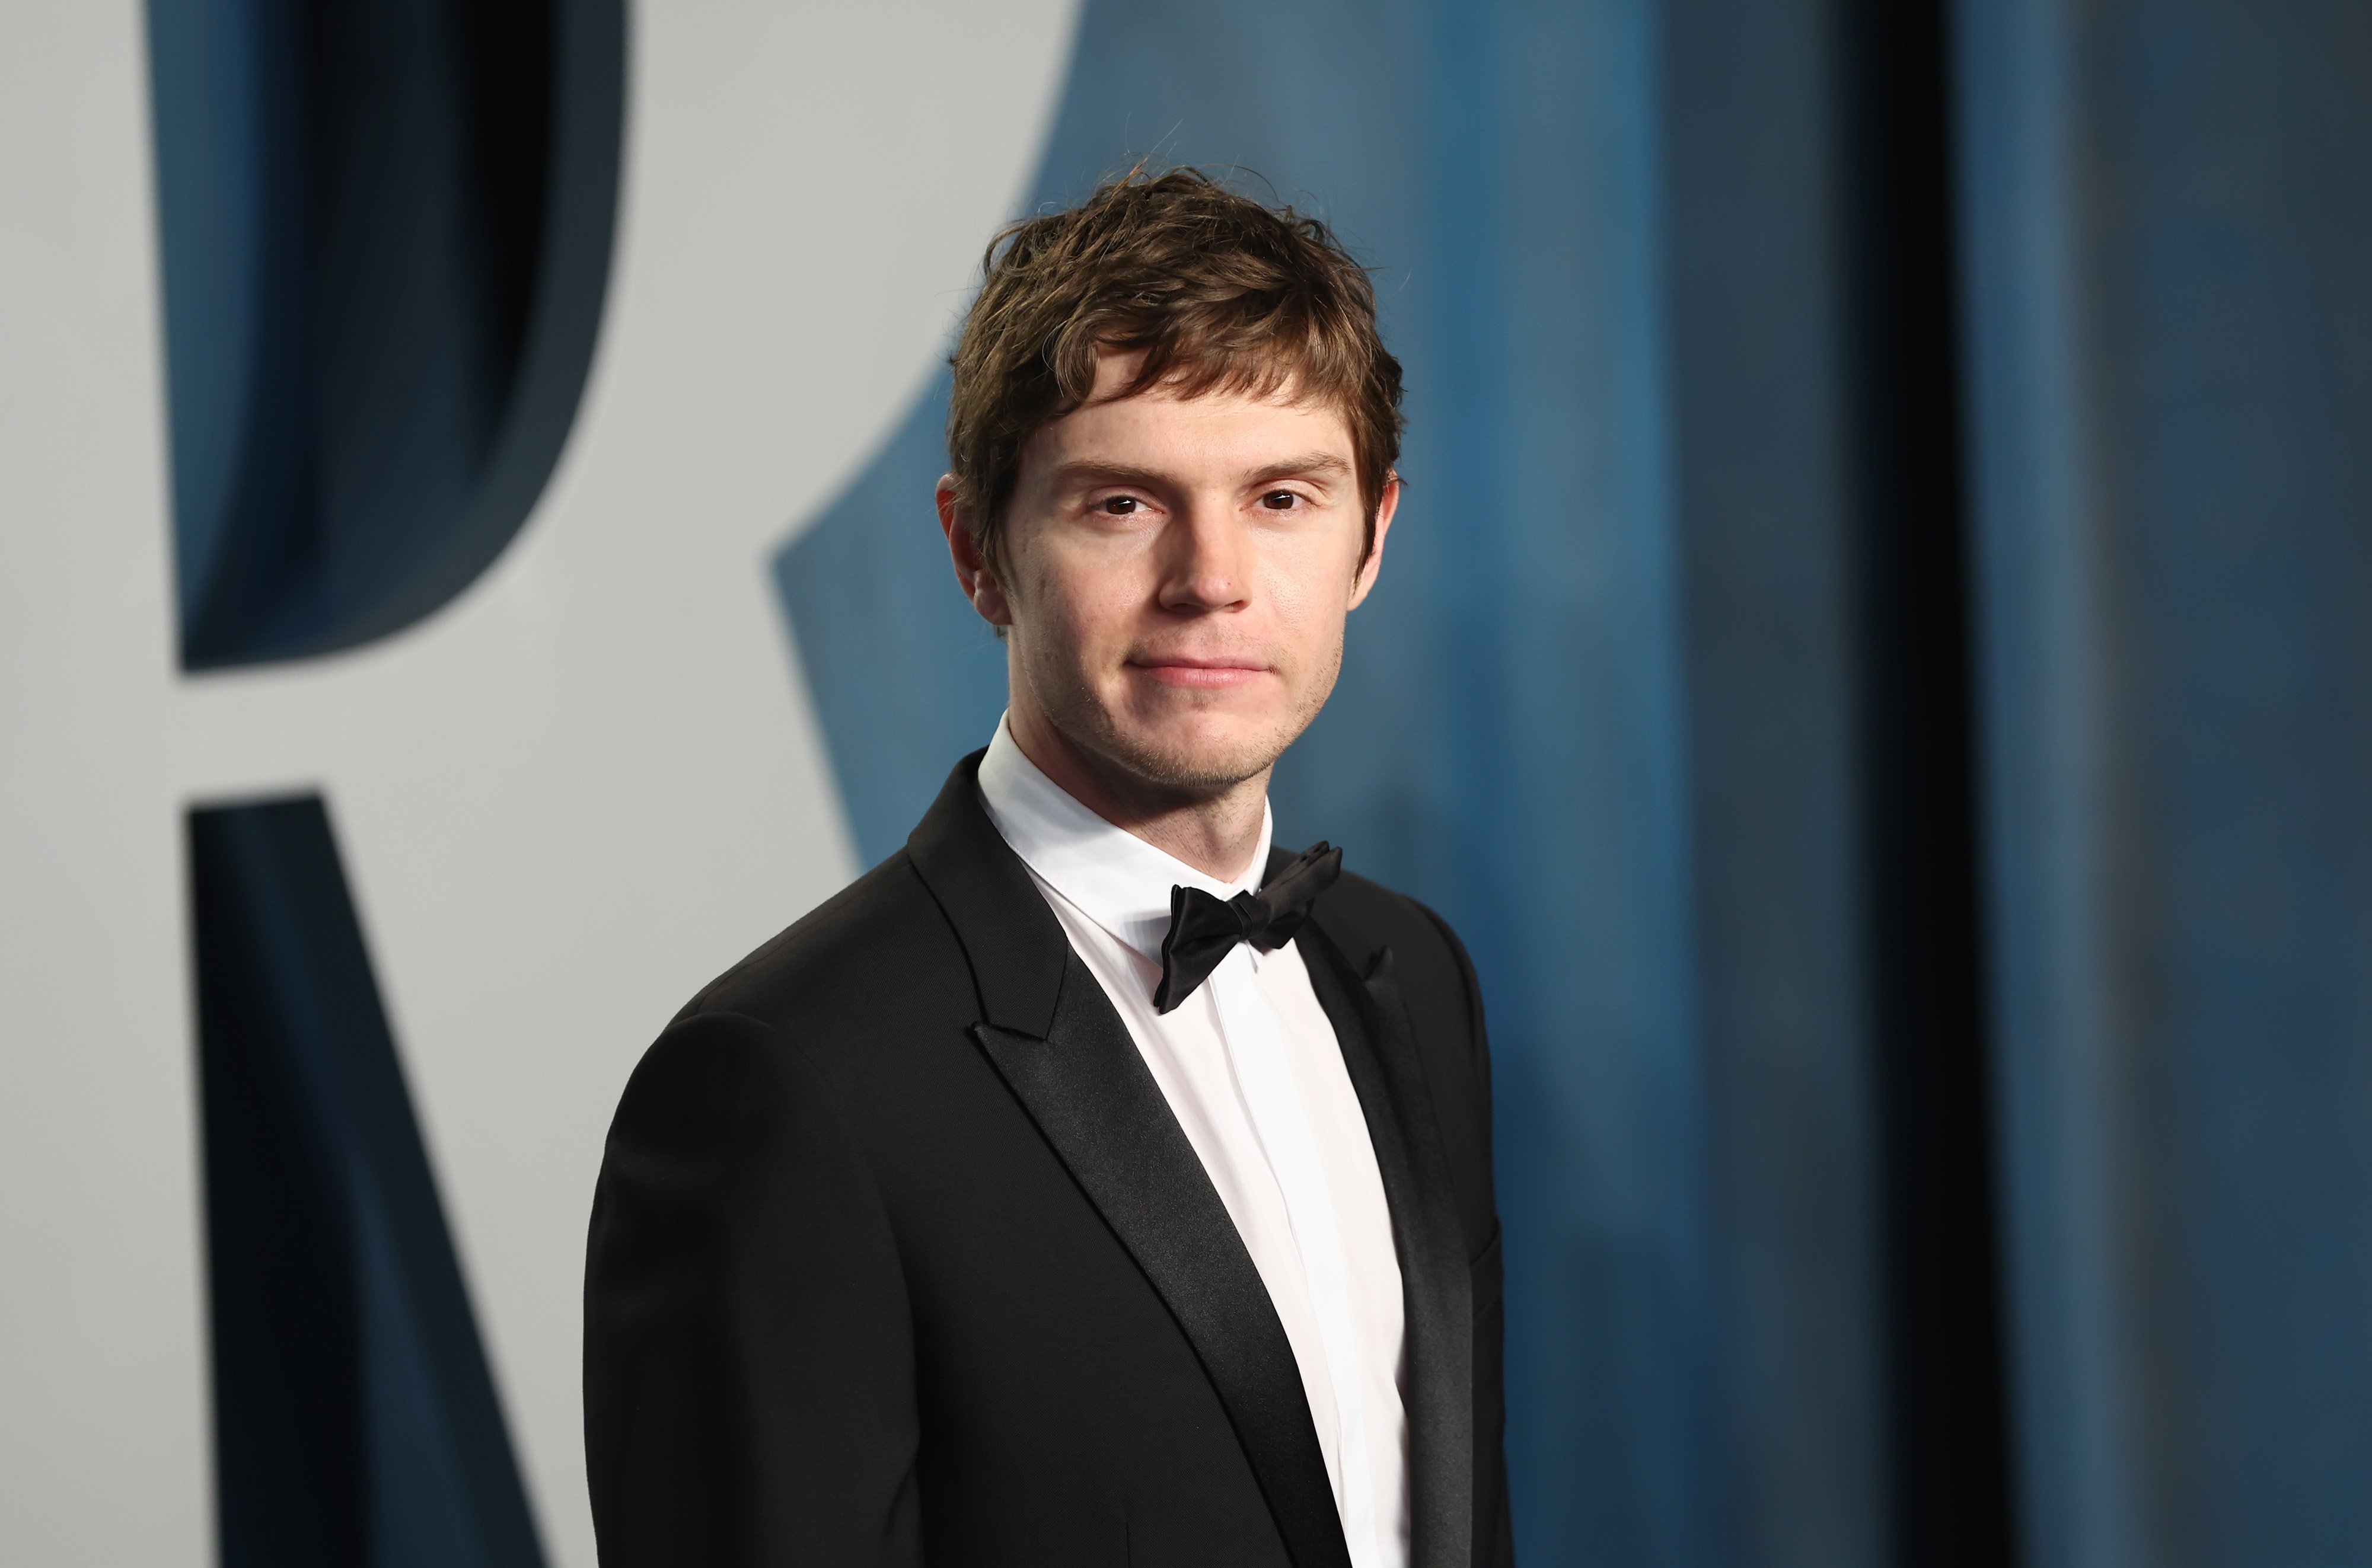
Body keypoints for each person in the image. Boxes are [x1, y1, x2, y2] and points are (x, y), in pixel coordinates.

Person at [584, 168, 1510, 1568]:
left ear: (1369, 536)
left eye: (1279, 496)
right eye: (1124, 504)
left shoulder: (1412, 978)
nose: (1212, 577)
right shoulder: (784, 1081)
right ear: (978, 552)